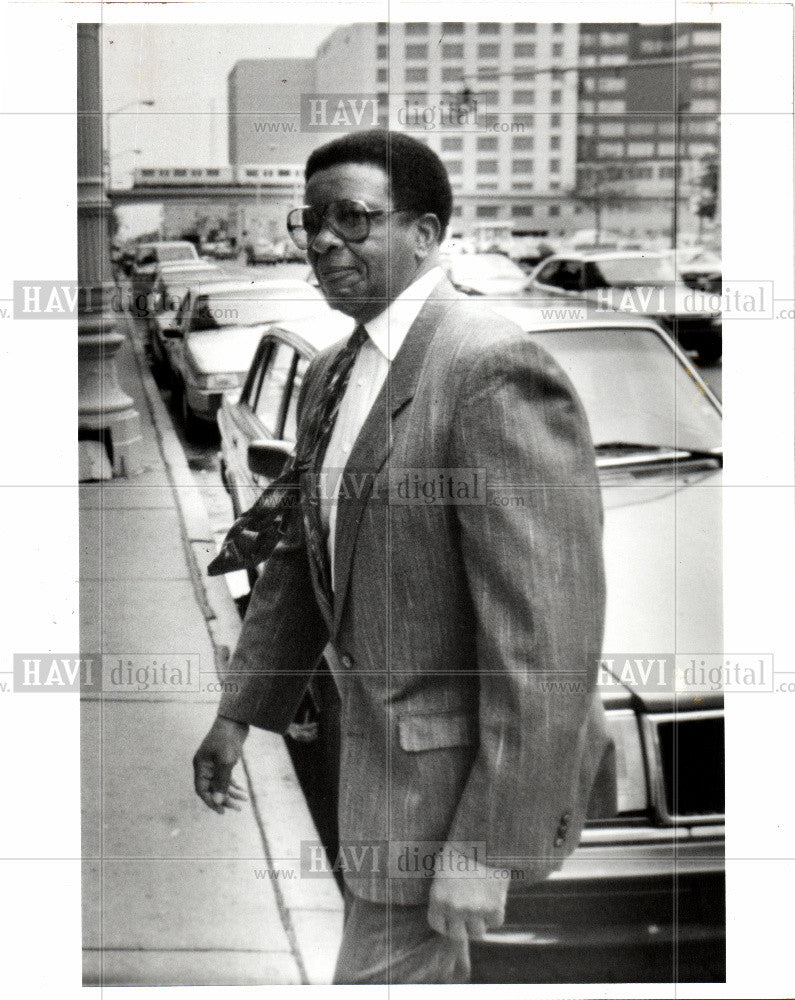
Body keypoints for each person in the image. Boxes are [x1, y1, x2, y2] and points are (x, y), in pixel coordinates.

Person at [193, 129, 609, 984]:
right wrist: (242, 710)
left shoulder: (487, 366)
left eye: (352, 216)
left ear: (424, 232)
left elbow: (546, 641)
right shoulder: (335, 371)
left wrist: (485, 849)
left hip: (443, 804)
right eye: (309, 219)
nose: (320, 239)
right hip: (377, 779)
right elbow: (308, 560)